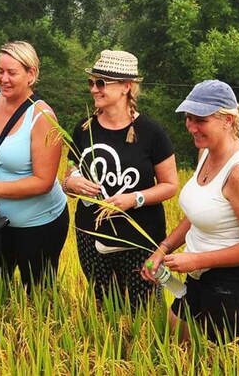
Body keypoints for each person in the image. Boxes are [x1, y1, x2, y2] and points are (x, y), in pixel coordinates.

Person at [142, 80, 239, 344]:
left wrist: (198, 260)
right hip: (198, 277)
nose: (191, 127)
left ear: (227, 120)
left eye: (200, 119)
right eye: (189, 118)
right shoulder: (206, 152)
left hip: (236, 283)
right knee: (175, 342)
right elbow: (197, 213)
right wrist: (163, 249)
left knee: (219, 362)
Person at [62, 50, 178, 309]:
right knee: (104, 305)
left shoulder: (152, 132)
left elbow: (170, 185)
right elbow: (69, 172)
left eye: (102, 83)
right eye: (91, 82)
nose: (94, 89)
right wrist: (71, 184)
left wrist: (134, 198)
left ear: (127, 86)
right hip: (90, 233)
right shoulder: (84, 128)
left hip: (138, 236)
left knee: (144, 308)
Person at [0, 40, 69, 291]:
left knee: (37, 294)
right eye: (0, 71)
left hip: (38, 225)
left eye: (12, 73)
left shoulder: (42, 117)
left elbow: (44, 182)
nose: (4, 78)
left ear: (31, 74)